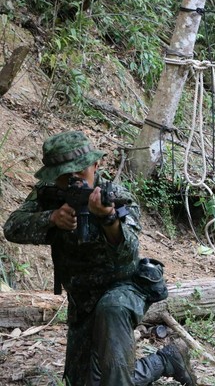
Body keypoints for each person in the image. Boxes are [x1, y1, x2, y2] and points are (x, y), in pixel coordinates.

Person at [3, 131, 197, 385]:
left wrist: (108, 218)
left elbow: (129, 252)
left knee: (112, 310)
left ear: (96, 166)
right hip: (83, 300)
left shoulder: (115, 196)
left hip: (123, 289)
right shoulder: (48, 194)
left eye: (80, 173)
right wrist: (50, 218)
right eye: (64, 177)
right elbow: (12, 227)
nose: (74, 182)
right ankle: (165, 361)